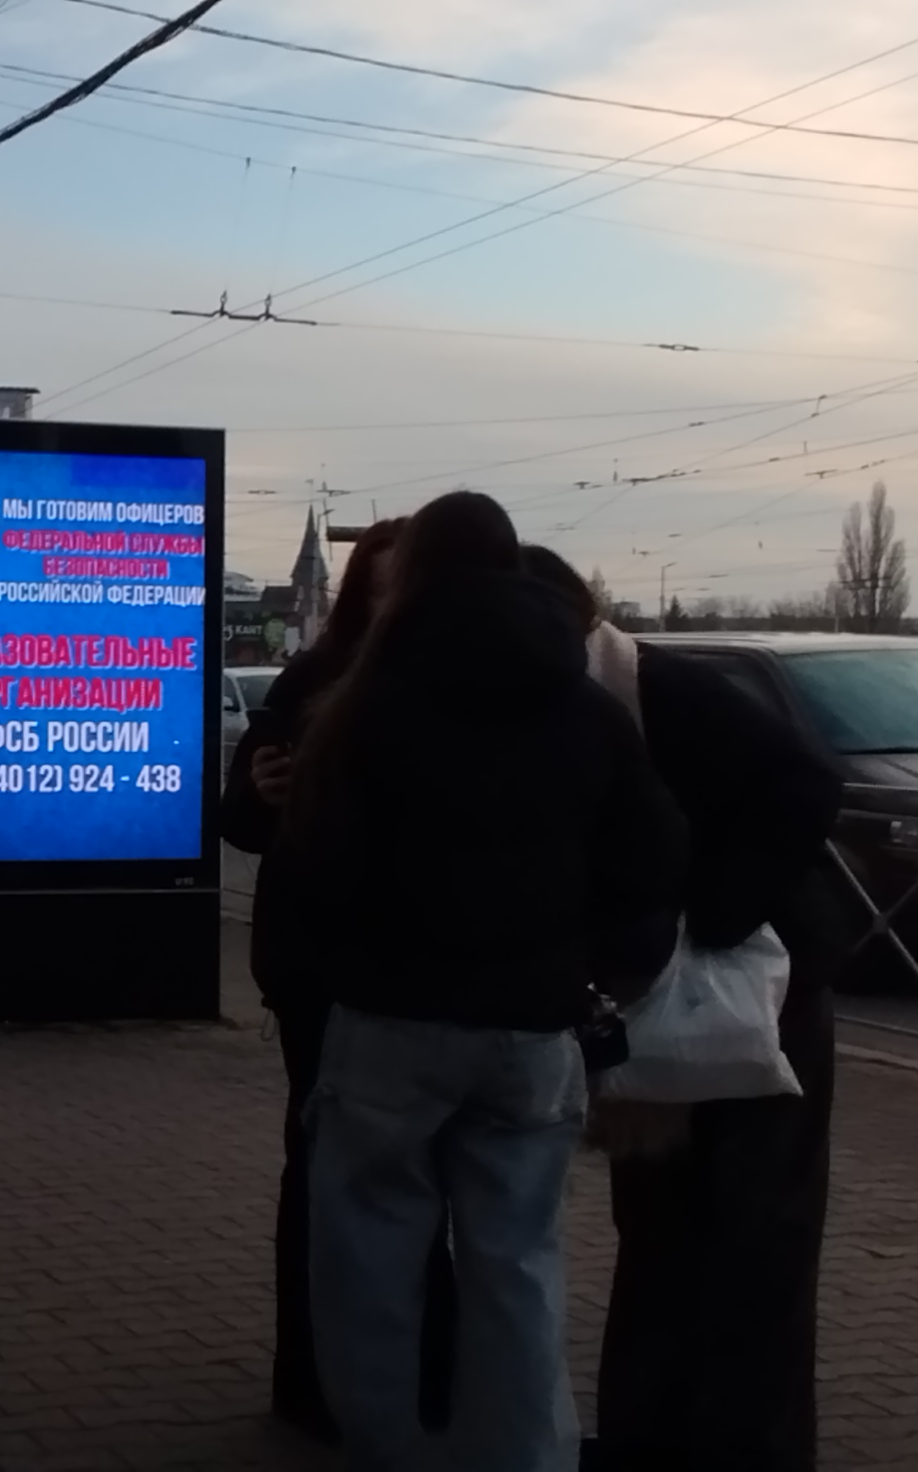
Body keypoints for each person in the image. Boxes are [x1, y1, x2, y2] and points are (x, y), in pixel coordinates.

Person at [286, 491, 683, 1471]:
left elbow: (314, 866)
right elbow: (650, 859)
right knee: (518, 1261)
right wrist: (599, 970)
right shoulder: (585, 707)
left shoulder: (366, 705)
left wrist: (337, 969)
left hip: (388, 1022)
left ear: (414, 573)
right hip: (534, 1026)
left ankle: (386, 1446)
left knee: (370, 1260)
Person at [517, 548, 846, 1472]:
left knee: (756, 1234)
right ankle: (651, 1434)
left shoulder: (660, 687)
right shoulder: (583, 700)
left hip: (762, 999)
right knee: (660, 1229)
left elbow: (806, 787)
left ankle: (750, 1447)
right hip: (674, 1006)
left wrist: (707, 915)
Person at [219, 516, 427, 1447]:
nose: (393, 603)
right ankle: (312, 1377)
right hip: (319, 969)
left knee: (423, 1183)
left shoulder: (454, 686)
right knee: (321, 1167)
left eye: (409, 584)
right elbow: (240, 822)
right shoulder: (310, 680)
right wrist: (261, 793)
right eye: (379, 585)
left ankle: (421, 1371)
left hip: (423, 973)